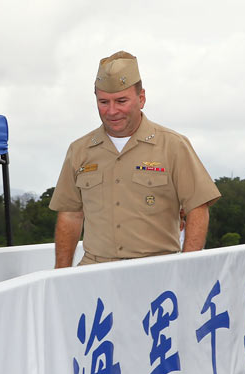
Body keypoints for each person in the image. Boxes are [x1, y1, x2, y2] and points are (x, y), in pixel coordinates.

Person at [49, 51, 221, 267]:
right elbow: (70, 215)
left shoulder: (173, 145)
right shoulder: (79, 150)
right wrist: (60, 275)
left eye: (121, 101)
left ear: (141, 99)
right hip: (94, 274)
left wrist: (186, 269)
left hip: (156, 271)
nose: (112, 111)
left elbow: (198, 208)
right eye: (103, 102)